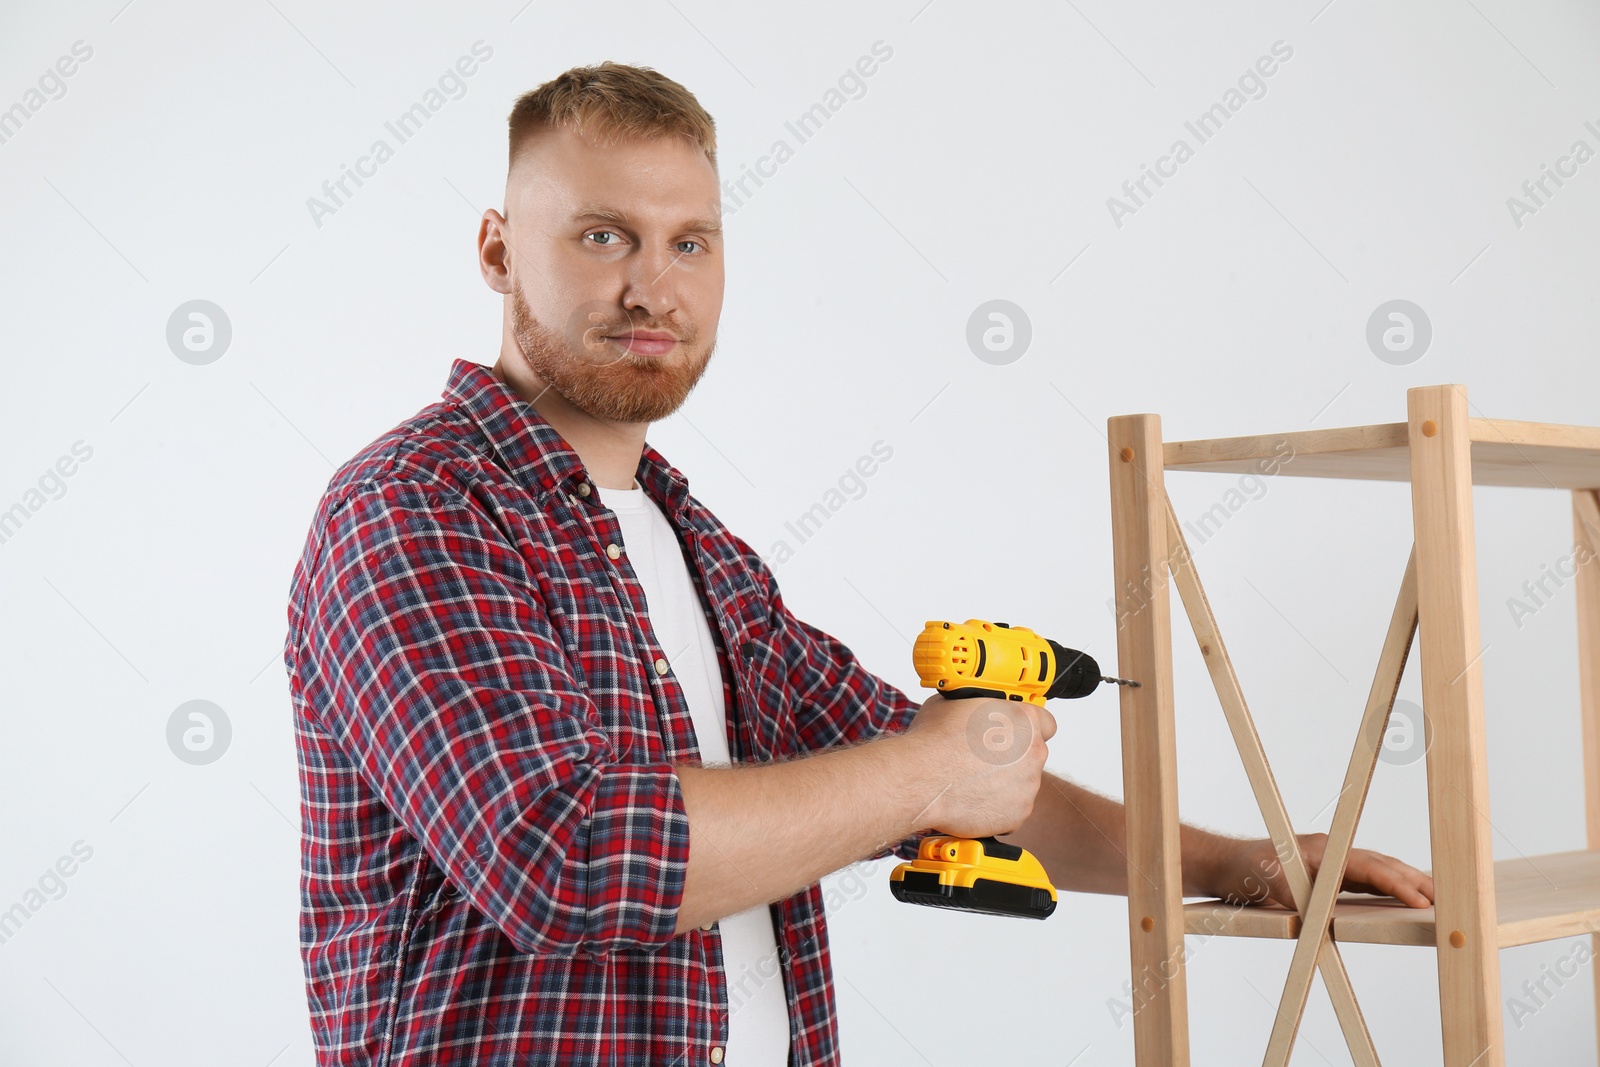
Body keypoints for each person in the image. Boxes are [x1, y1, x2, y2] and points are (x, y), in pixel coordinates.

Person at [283, 60, 1435, 1067]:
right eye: (602, 236)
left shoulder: (699, 548)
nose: (653, 285)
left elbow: (921, 767)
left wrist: (1239, 861)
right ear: (496, 248)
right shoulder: (414, 509)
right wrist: (926, 771)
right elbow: (563, 855)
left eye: (690, 241)